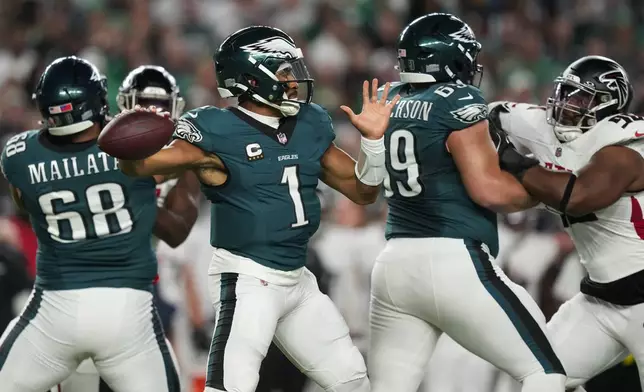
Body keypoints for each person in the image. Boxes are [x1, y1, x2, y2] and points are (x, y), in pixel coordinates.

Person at [114, 25, 400, 392]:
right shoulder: (216, 129)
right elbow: (139, 166)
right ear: (252, 78)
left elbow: (363, 191)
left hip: (299, 281)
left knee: (352, 381)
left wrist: (373, 143)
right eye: (283, 71)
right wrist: (126, 140)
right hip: (248, 280)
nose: (293, 80)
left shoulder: (309, 122)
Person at [368, 13, 566, 392]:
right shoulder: (456, 98)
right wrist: (543, 192)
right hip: (450, 257)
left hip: (393, 263)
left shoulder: (388, 97)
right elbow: (489, 190)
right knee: (546, 372)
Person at [0, 56, 180, 392]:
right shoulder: (138, 150)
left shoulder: (19, 155)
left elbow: (25, 203)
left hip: (55, 310)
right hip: (128, 311)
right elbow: (174, 172)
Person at [489, 55, 644, 391]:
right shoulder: (546, 128)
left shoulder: (625, 147)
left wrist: (514, 162)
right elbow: (491, 114)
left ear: (608, 105)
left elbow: (577, 196)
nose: (567, 104)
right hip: (600, 300)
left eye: (581, 97)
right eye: (566, 93)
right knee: (540, 378)